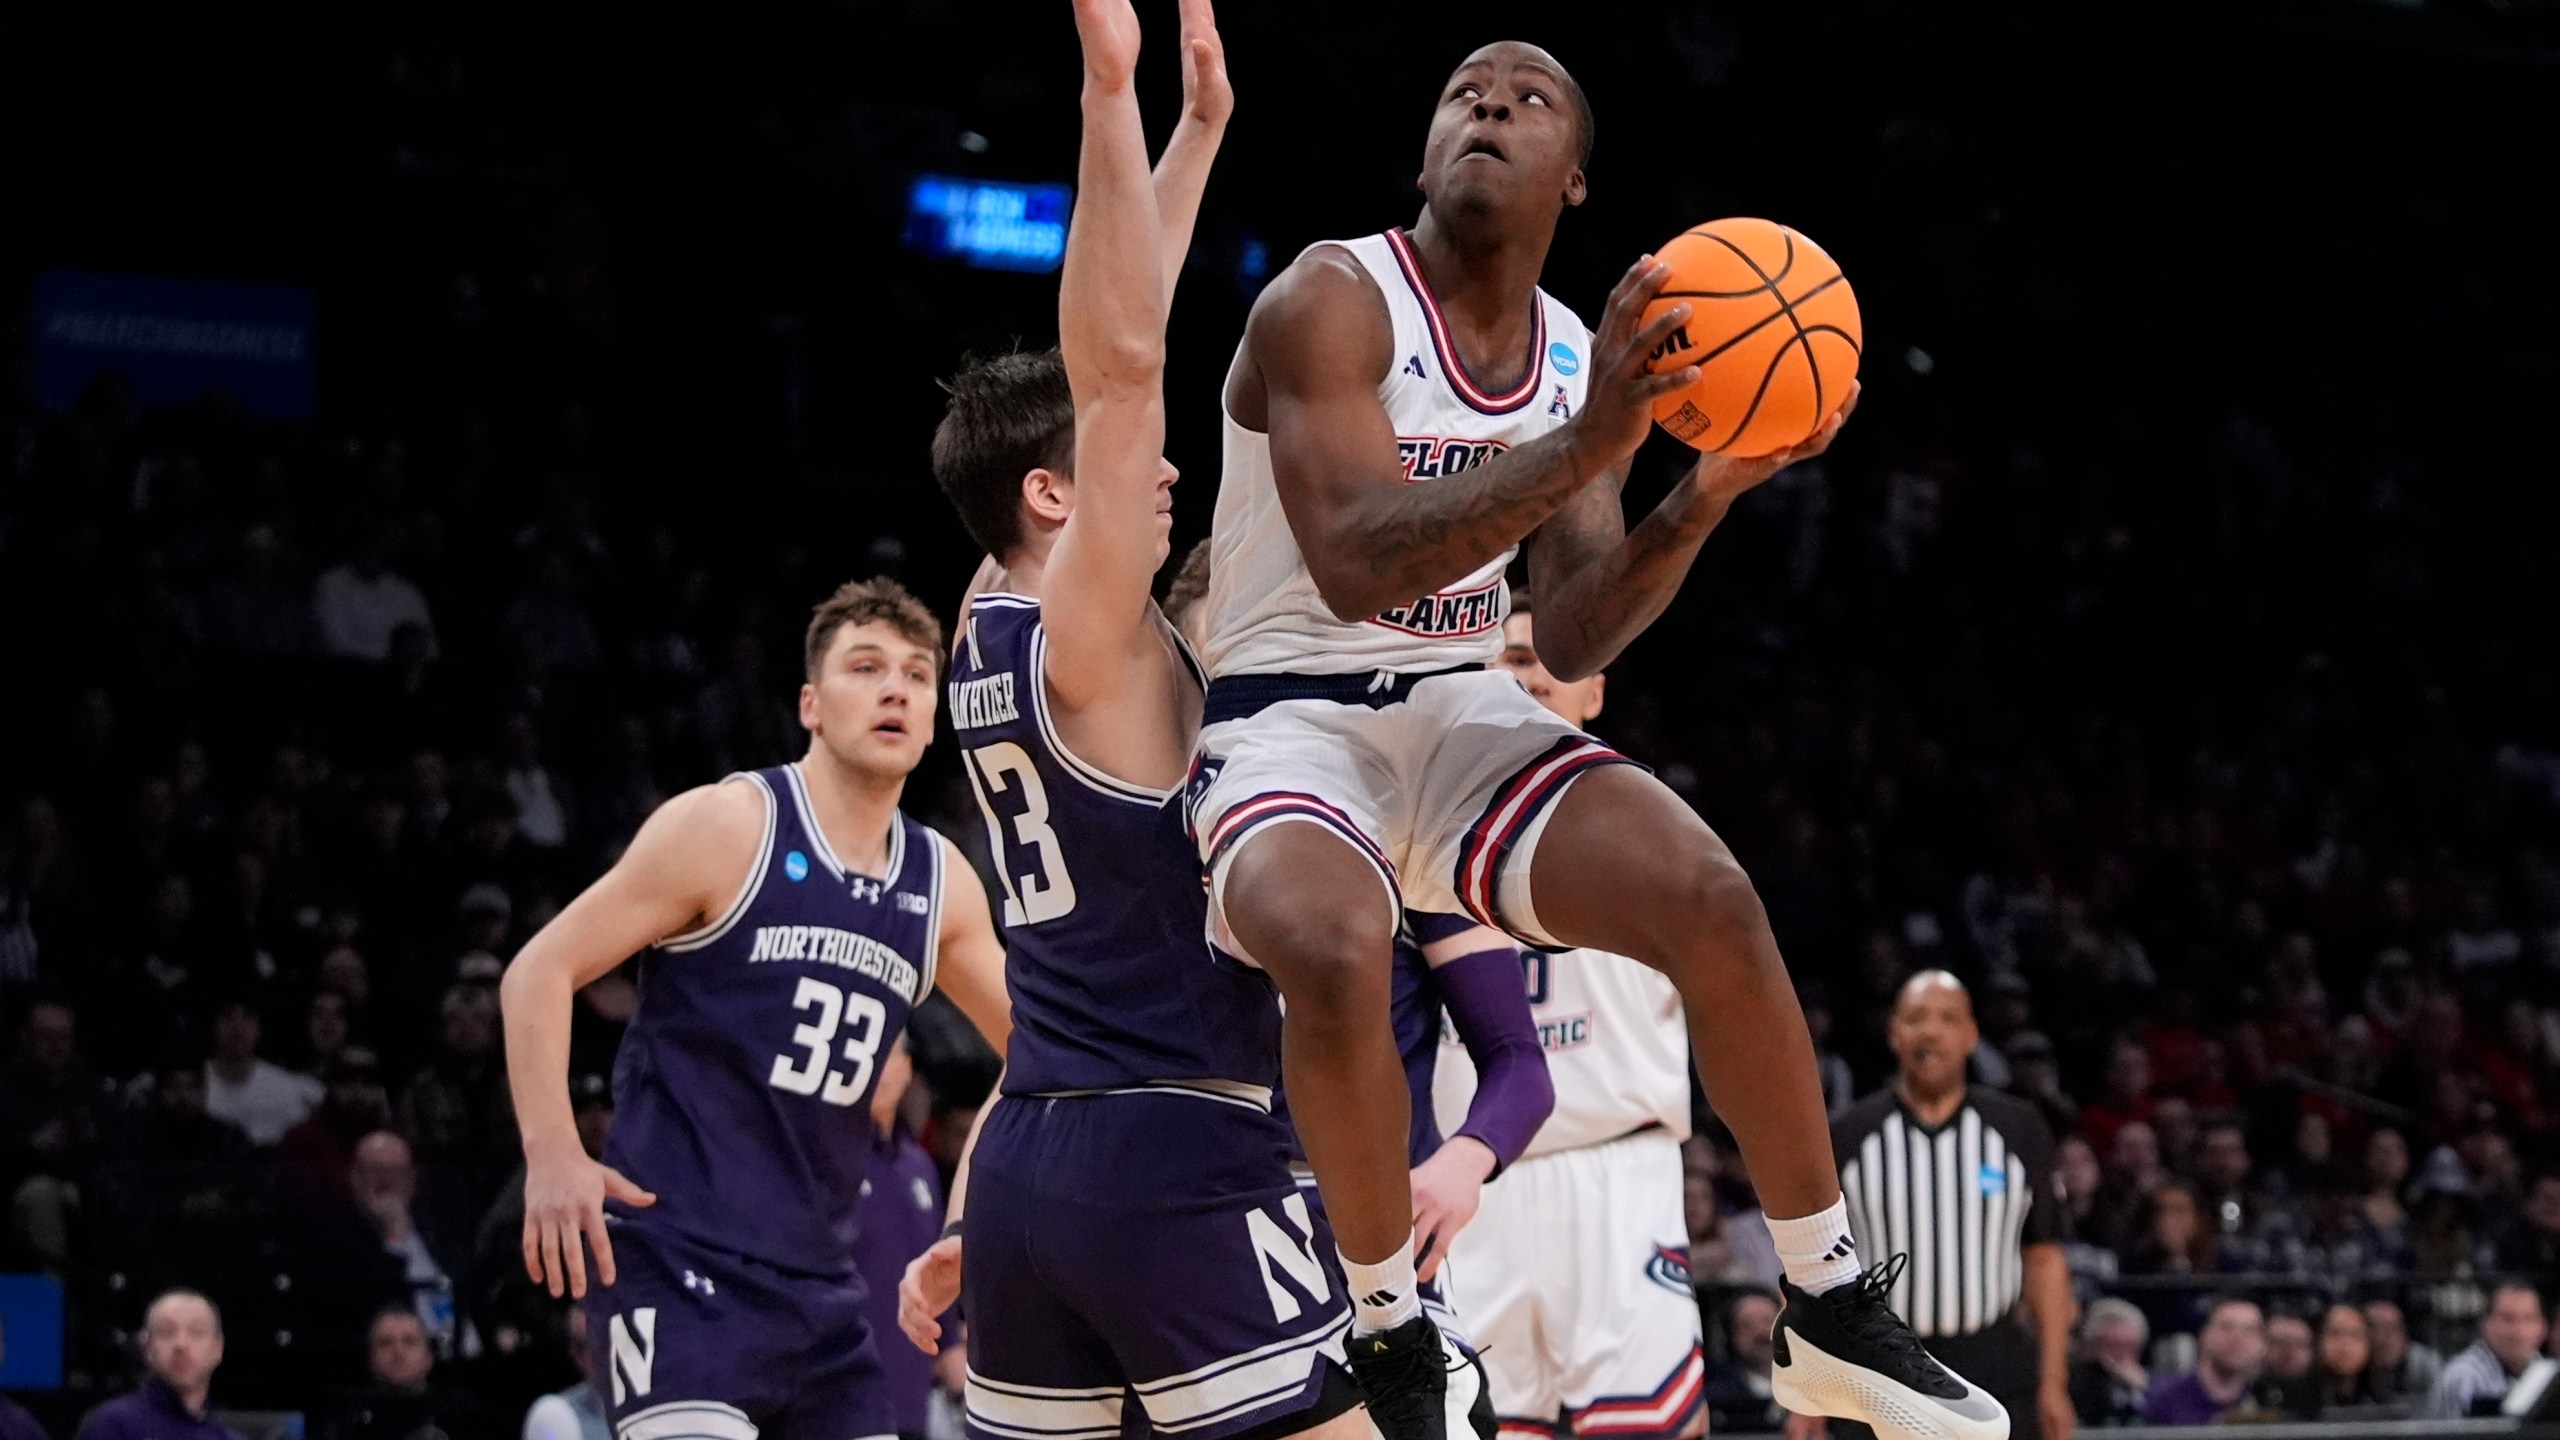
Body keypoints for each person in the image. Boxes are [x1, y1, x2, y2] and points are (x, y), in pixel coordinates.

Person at [1185, 29, 1987, 1440]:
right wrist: (1596, 436)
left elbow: (1566, 635)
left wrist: (1707, 488)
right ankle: (1386, 1330)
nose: (1490, 102)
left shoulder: (1572, 356)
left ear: (1578, 184)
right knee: (1330, 946)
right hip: (1288, 710)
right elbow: (1363, 562)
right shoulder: (1331, 296)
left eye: (1531, 95)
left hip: (1458, 707)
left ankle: (1830, 1301)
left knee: (1710, 896)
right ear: (1426, 150)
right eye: (1462, 92)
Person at [900, 9, 1399, 1440]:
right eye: (1115, 472)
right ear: (1056, 497)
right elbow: (1119, 364)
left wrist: (1192, 142)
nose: (1163, 471)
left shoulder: (981, 619)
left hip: (1029, 1172)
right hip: (1176, 1140)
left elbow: (1114, 349)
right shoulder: (1092, 630)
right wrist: (1108, 96)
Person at [499, 576, 1012, 1440]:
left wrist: (965, 1219)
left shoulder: (941, 884)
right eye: (866, 667)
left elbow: (1043, 1053)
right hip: (681, 1266)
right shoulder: (731, 825)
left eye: (918, 676)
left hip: (823, 1293)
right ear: (811, 703)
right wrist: (552, 1152)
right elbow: (538, 971)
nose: (896, 688)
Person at [1436, 598, 1703, 1440]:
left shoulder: (1651, 818)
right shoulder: (1420, 825)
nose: (1534, 675)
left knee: (1649, 1427)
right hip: (1474, 1181)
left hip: (1616, 1167)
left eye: (1556, 660)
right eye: (1514, 657)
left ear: (1595, 691)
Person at [1809, 974, 2074, 1440]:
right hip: (1879, 1369)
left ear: (1971, 1035)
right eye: (1915, 1019)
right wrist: (1810, 1396)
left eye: (1947, 1019)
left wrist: (2054, 1382)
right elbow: (1817, 1268)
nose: (1930, 1032)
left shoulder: (2019, 1127)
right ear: (1894, 1033)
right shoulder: (1849, 1134)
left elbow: (2045, 1260)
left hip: (1994, 1365)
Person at [852, 1038, 945, 1440]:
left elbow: (940, 1306)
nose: (877, 1067)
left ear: (907, 1068)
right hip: (842, 1403)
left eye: (887, 1054)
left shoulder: (921, 1167)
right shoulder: (825, 1158)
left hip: (913, 1409)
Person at [76, 1290, 243, 1440]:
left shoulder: (227, 1437)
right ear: (147, 1349)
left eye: (196, 1332)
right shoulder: (113, 1423)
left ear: (217, 1348)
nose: (181, 1344)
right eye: (166, 1332)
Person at [315, 1307, 492, 1440]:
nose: (398, 1352)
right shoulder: (347, 1414)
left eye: (410, 1341)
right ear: (371, 1359)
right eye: (385, 1343)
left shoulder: (460, 1412)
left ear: (428, 1358)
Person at [202, 998, 322, 1146]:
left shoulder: (285, 1087)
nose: (237, 1028)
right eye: (228, 1017)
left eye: (247, 1019)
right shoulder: (195, 1082)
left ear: (259, 1029)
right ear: (215, 1027)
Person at [2429, 1281, 2550, 1418]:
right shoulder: (2462, 1377)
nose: (2518, 1331)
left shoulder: (2548, 1374)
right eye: (2507, 1319)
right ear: (2486, 1324)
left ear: (2543, 1327)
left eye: (2529, 1319)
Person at [2140, 1297, 2265, 1426]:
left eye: (2250, 1331)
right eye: (2226, 1327)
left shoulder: (2268, 1400)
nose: (2237, 1338)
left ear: (2263, 1345)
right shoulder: (2164, 1402)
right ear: (2204, 1336)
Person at [522, 1308, 609, 1440]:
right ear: (577, 1357)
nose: (607, 1351)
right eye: (595, 1344)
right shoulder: (556, 1417)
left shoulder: (649, 1399)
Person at [1705, 1291, 1784, 1435]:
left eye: (1768, 1321)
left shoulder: (1816, 1391)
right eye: (1746, 1325)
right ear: (1729, 1336)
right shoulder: (1715, 1399)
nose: (1761, 1332)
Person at [2065, 1300, 2147, 1428]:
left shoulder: (2155, 1389)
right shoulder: (2073, 1386)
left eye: (2130, 1346)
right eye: (2113, 1346)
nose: (2122, 1354)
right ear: (2090, 1347)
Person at [2363, 1298, 2443, 1406]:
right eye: (2378, 1328)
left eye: (2395, 1328)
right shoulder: (2353, 1366)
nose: (2386, 1337)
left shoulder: (2423, 1364)